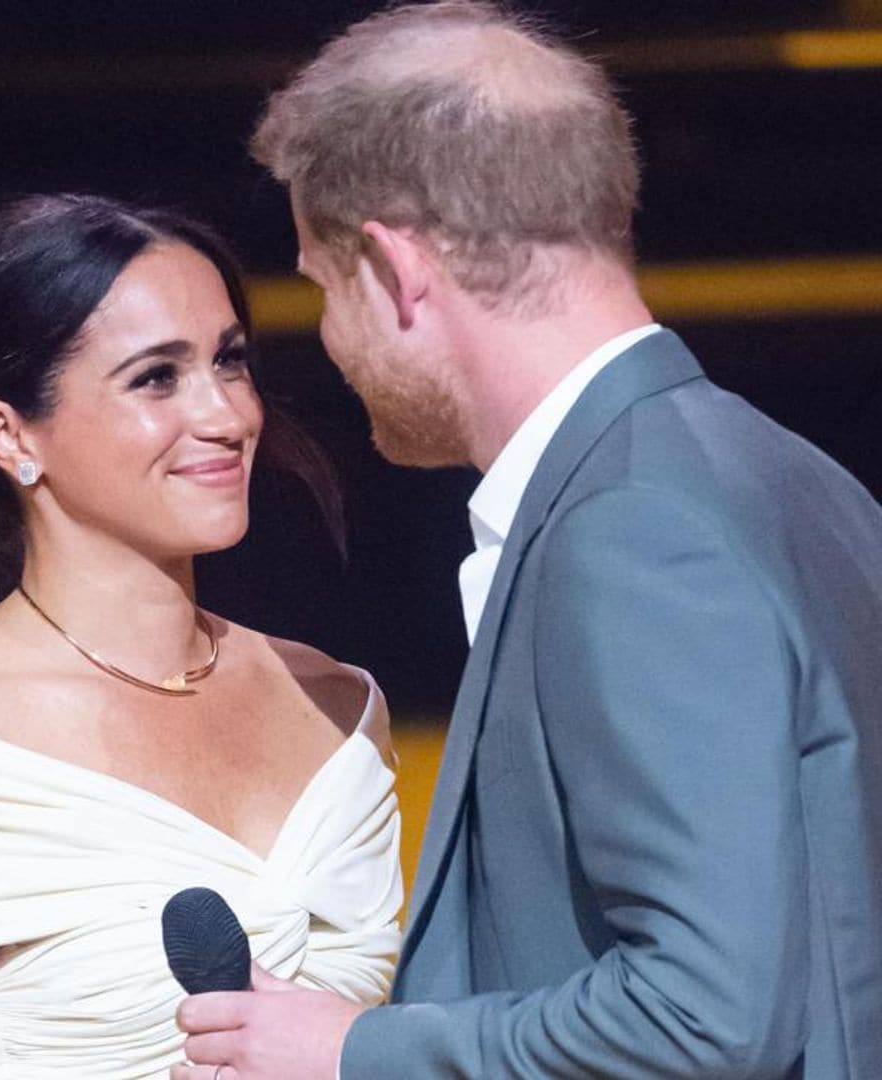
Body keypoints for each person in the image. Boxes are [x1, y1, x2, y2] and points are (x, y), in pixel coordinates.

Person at [172, 3, 882, 1078]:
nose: (328, 339)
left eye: (321, 289)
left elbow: (707, 1015)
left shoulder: (633, 530)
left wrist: (360, 1052)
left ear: (397, 270)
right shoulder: (794, 477)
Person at [0, 193, 403, 1078]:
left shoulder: (340, 706)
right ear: (11, 436)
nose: (227, 416)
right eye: (156, 377)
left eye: (229, 362)